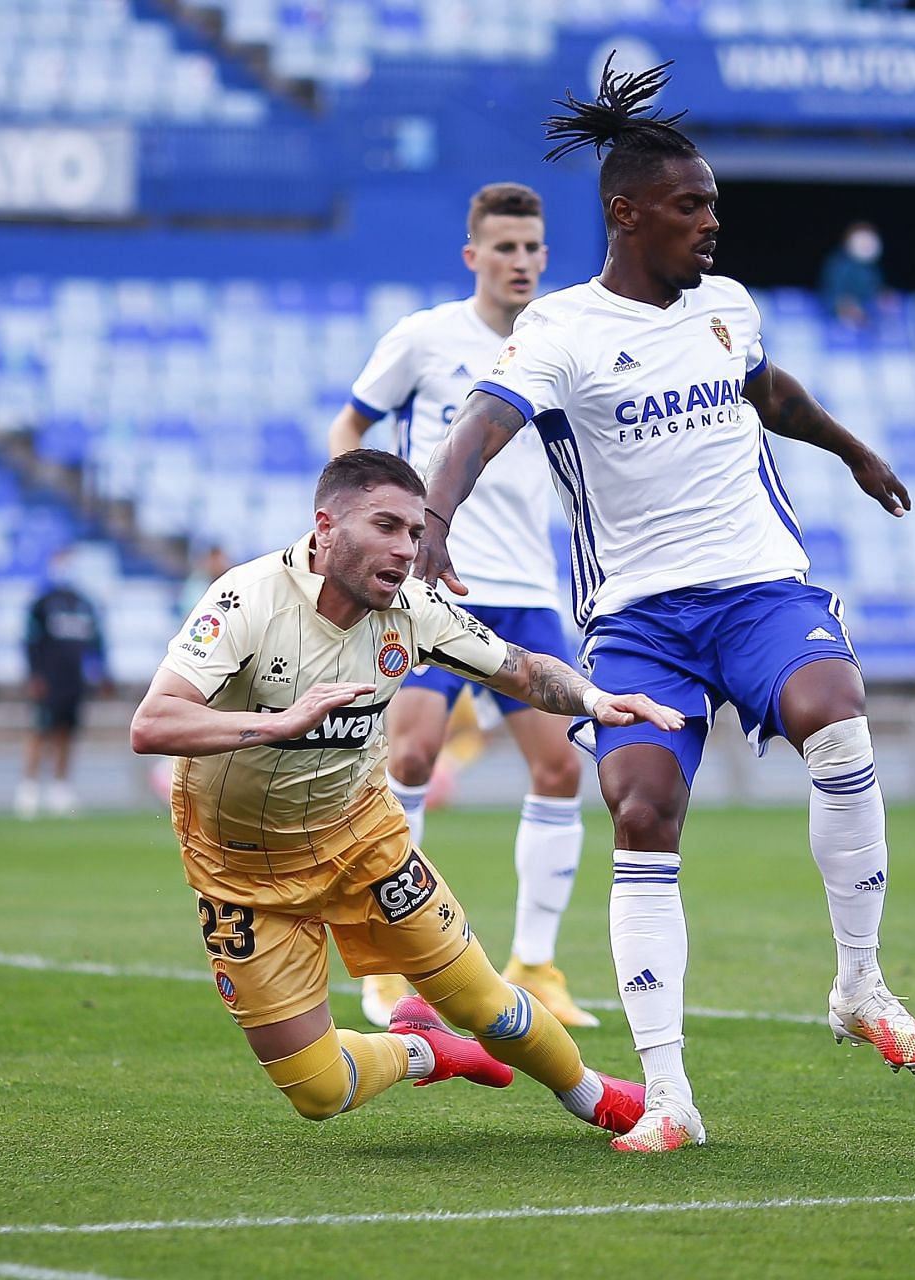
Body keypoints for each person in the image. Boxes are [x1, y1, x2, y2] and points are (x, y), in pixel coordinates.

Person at [414, 58, 915, 1154]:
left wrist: (851, 450)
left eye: (713, 203)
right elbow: (477, 428)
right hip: (639, 617)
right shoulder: (560, 330)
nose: (713, 221)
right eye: (691, 204)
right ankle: (670, 1094)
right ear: (626, 213)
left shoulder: (727, 306)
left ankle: (860, 982)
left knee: (835, 710)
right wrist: (433, 522)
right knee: (642, 812)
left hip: (757, 585)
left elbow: (770, 390)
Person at [127, 450, 682, 1134]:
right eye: (386, 526)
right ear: (325, 526)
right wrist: (282, 722)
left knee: (486, 1004)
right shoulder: (246, 600)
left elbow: (521, 670)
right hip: (238, 869)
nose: (405, 549)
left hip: (363, 841)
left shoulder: (415, 610)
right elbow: (153, 722)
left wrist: (595, 699)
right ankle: (423, 1051)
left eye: (415, 533)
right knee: (318, 1092)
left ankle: (594, 1096)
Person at [325, 182, 602, 1032]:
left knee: (561, 770)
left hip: (524, 593)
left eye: (532, 249)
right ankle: (390, 966)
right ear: (472, 256)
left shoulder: (564, 344)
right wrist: (363, 524)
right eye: (504, 248)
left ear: (546, 257)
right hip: (426, 591)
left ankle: (536, 963)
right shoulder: (425, 338)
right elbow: (350, 427)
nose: (520, 262)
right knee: (407, 757)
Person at [17, 549, 109, 819]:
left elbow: (98, 642)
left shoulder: (84, 603)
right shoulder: (43, 603)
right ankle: (29, 787)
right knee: (40, 730)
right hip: (48, 679)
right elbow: (30, 641)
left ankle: (60, 786)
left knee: (67, 733)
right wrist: (34, 675)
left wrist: (103, 673)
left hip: (74, 680)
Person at [819, 221, 884, 329]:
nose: (866, 244)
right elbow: (831, 294)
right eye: (862, 240)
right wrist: (845, 307)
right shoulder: (839, 264)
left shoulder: (873, 269)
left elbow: (874, 293)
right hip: (836, 321)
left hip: (866, 319)